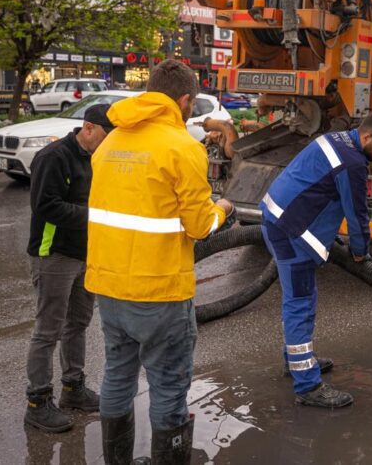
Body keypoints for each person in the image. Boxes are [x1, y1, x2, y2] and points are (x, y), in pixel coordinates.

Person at [86, 60, 234, 465]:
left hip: (109, 286)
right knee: (168, 385)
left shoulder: (111, 143)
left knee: (117, 374)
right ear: (185, 100)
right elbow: (200, 226)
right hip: (160, 291)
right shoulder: (182, 148)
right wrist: (221, 208)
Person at [259, 111, 372, 408]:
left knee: (300, 299)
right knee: (300, 303)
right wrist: (360, 252)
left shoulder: (336, 139)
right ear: (368, 136)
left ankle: (297, 361)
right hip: (292, 233)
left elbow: (319, 190)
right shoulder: (353, 163)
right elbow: (356, 213)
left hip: (276, 219)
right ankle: (307, 386)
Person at [23, 103, 115, 433]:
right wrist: (95, 216)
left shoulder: (98, 158)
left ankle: (73, 388)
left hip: (85, 255)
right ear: (88, 128)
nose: (110, 143)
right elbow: (46, 206)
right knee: (48, 330)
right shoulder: (53, 157)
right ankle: (37, 401)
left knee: (78, 323)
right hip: (54, 254)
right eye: (107, 135)